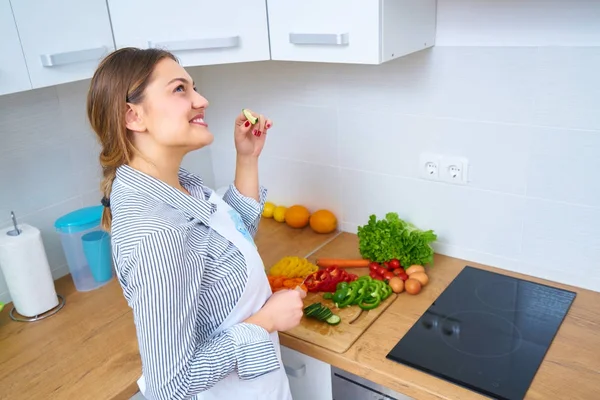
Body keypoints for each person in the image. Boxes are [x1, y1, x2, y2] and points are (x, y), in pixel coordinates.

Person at [86, 47, 305, 400]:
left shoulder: (177, 184)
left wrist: (247, 160)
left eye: (194, 87)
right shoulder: (158, 233)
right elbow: (170, 386)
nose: (201, 100)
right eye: (179, 89)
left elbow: (228, 248)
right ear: (133, 115)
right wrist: (267, 321)